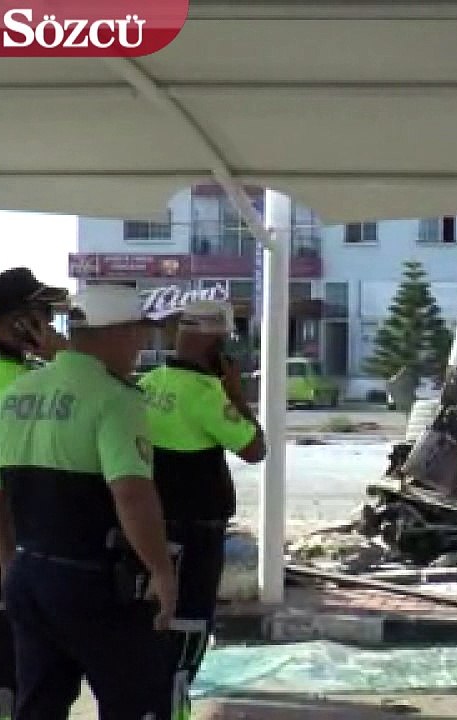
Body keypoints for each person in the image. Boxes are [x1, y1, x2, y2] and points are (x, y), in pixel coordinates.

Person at [0, 284, 178, 720]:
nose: (144, 347)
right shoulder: (115, 399)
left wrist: (10, 564)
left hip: (28, 574)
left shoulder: (13, 395)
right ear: (120, 333)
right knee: (135, 700)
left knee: (39, 704)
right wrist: (161, 568)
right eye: (141, 335)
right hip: (93, 581)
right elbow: (132, 492)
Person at [139, 300, 265, 720]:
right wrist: (236, 395)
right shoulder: (208, 394)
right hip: (196, 530)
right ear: (216, 343)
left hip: (147, 523)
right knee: (190, 622)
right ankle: (173, 707)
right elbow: (254, 448)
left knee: (150, 617)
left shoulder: (147, 383)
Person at [0, 266, 68, 719]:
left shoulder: (3, 371)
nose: (50, 324)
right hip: (1, 539)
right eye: (43, 314)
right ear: (20, 322)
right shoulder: (16, 386)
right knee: (5, 654)